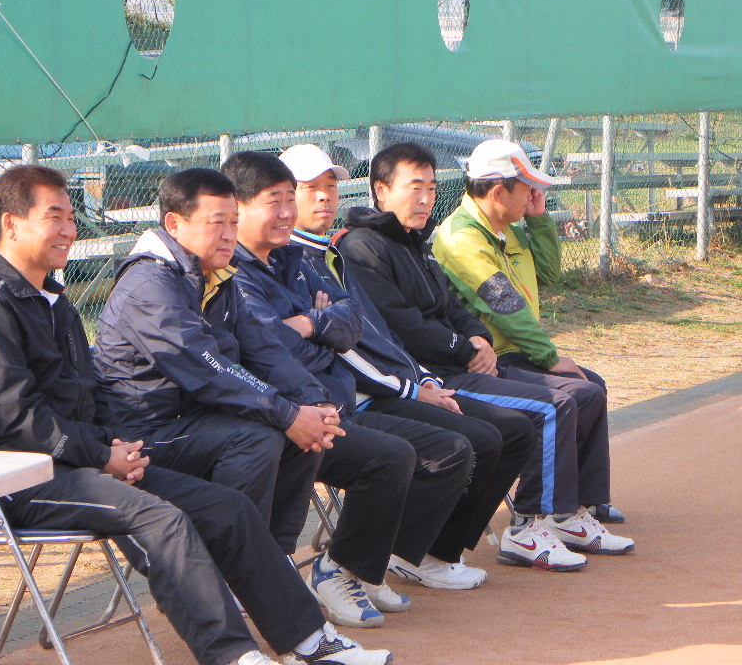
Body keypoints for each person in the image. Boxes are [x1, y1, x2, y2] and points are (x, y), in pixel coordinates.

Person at [0, 164, 392, 665]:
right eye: (56, 217)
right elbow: (17, 418)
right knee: (163, 518)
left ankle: (310, 640)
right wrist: (103, 454)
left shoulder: (52, 300)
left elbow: (86, 396)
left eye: (72, 216)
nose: (70, 229)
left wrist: (110, 449)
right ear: (11, 224)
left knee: (230, 508)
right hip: (26, 477)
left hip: (92, 458)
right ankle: (233, 655)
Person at [336, 142, 634, 572]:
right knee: (557, 405)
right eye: (415, 187)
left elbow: (458, 306)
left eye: (432, 188)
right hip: (441, 372)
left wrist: (477, 337)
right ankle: (529, 526)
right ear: (381, 191)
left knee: (588, 391)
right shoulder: (435, 239)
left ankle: (570, 512)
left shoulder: (427, 240)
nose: (426, 198)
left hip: (475, 359)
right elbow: (411, 324)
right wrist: (481, 348)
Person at [221, 150, 481, 628]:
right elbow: (269, 345)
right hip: (289, 417)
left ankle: (362, 566)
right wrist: (320, 326)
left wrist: (311, 324)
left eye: (290, 199)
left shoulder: (297, 259)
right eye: (276, 200)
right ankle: (337, 570)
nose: (289, 211)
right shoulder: (232, 273)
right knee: (391, 458)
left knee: (451, 447)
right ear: (236, 207)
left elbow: (351, 320)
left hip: (334, 404)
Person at [278, 143, 536, 583]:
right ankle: (388, 558)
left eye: (331, 187)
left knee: (512, 430)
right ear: (381, 191)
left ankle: (427, 552)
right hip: (346, 402)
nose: (324, 197)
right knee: (477, 439)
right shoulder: (339, 251)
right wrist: (415, 386)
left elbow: (376, 333)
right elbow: (345, 344)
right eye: (308, 188)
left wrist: (426, 377)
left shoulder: (334, 255)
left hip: (389, 385)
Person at [93, 168, 337, 561]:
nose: (229, 235)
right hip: (144, 435)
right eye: (217, 223)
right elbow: (206, 370)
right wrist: (288, 413)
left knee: (305, 435)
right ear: (174, 224)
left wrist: (313, 402)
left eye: (234, 223)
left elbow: (264, 348)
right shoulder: (149, 285)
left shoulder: (219, 277)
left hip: (198, 422)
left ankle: (273, 564)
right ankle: (231, 566)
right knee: (259, 436)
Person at [432, 138, 624, 526]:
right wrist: (550, 358)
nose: (533, 195)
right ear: (498, 192)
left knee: (593, 386)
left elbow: (548, 274)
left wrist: (538, 220)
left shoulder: (507, 230)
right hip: (490, 362)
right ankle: (549, 513)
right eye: (526, 188)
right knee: (576, 394)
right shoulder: (461, 238)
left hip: (517, 353)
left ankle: (585, 501)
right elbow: (505, 306)